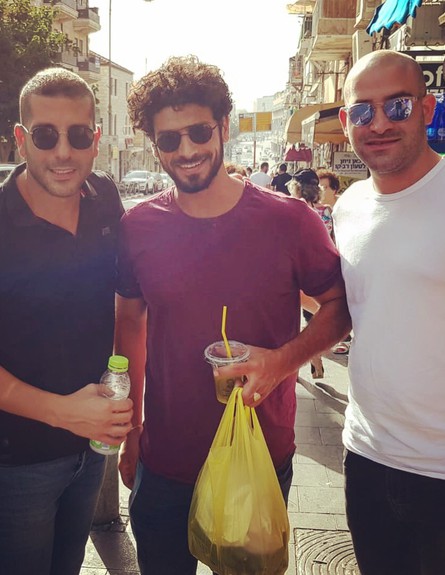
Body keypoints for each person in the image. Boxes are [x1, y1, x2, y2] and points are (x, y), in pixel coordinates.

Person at [115, 55, 350, 575]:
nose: (186, 150)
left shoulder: (290, 220)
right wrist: (132, 431)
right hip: (165, 461)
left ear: (224, 126)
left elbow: (339, 308)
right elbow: (129, 326)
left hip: (258, 455)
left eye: (199, 131)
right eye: (168, 139)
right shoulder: (139, 227)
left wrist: (280, 362)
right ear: (154, 144)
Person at [0, 68, 133, 575]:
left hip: (90, 451)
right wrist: (62, 413)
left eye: (77, 135)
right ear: (21, 139)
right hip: (16, 464)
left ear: (95, 140)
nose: (62, 152)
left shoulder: (105, 198)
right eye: (45, 135)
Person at [334, 49, 444, 575]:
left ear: (426, 108)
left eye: (396, 106)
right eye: (363, 110)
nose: (378, 123)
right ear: (345, 121)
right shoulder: (348, 207)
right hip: (368, 457)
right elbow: (362, 305)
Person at [290, 168, 335, 379]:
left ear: (295, 188)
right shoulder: (326, 211)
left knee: (299, 320)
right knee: (316, 318)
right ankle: (315, 356)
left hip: (299, 273)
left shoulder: (291, 211)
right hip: (324, 272)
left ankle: (306, 360)